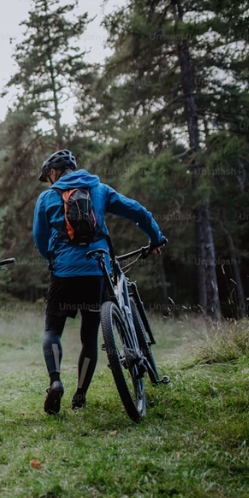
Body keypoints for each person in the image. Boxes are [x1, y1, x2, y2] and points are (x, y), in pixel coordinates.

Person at [32, 149, 166, 414]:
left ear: (54, 173)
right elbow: (136, 211)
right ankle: (80, 394)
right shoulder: (99, 189)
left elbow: (39, 237)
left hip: (63, 273)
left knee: (52, 331)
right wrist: (155, 237)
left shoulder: (47, 197)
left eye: (48, 175)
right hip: (96, 271)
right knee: (89, 336)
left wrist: (55, 258)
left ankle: (56, 381)